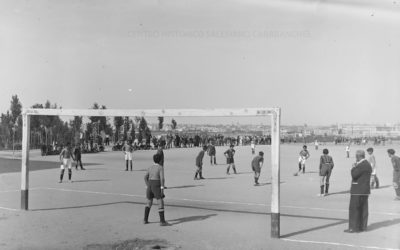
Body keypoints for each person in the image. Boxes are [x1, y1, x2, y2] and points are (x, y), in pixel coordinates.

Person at [345, 150, 372, 233]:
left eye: (356, 157)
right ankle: (362, 227)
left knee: (354, 209)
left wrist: (353, 167)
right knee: (363, 209)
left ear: (358, 156)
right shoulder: (367, 164)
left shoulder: (361, 165)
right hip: (365, 190)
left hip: (357, 190)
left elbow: (354, 175)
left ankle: (353, 227)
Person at [143, 154, 168, 226]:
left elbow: (145, 177)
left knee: (149, 202)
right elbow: (162, 179)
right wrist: (162, 189)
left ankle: (145, 219)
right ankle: (162, 221)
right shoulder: (160, 167)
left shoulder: (150, 167)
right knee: (160, 202)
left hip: (150, 184)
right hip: (156, 184)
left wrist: (148, 185)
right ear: (160, 160)